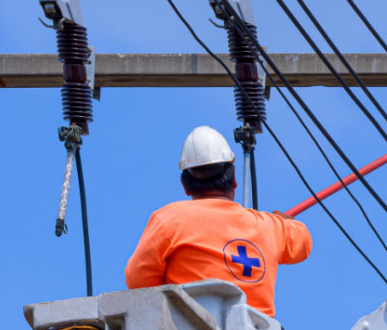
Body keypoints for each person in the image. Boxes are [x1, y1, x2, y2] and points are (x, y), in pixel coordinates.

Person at [125, 125, 312, 318]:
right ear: (234, 181)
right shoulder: (270, 227)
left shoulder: (169, 220)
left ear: (185, 186)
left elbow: (138, 282)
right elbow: (304, 242)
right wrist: (283, 222)